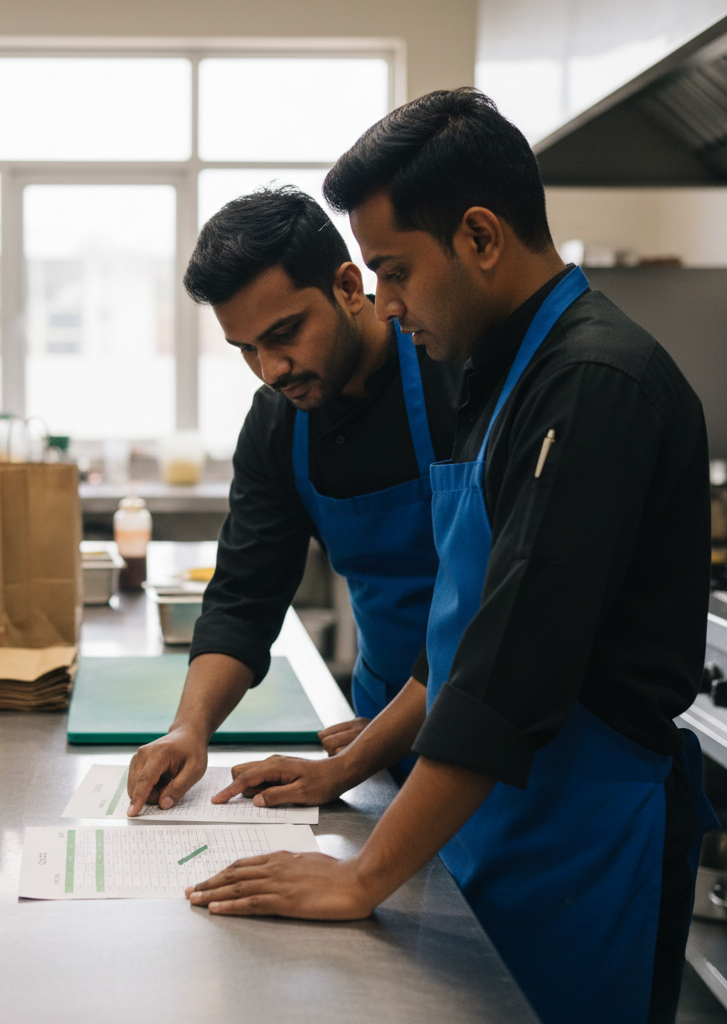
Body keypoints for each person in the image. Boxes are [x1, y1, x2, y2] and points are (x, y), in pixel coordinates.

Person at [183, 90, 717, 1024]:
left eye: (394, 271)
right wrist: (347, 769)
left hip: (583, 827)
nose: (387, 302)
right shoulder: (508, 371)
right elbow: (462, 642)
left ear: (479, 236)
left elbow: (509, 667)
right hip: (489, 800)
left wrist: (362, 878)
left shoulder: (589, 384)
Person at [126, 187, 462, 816]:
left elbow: (484, 610)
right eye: (247, 349)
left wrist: (372, 750)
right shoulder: (277, 425)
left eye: (285, 334)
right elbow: (245, 596)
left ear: (348, 287)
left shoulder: (455, 377)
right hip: (380, 722)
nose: (271, 369)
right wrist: (189, 728)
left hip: (479, 715)